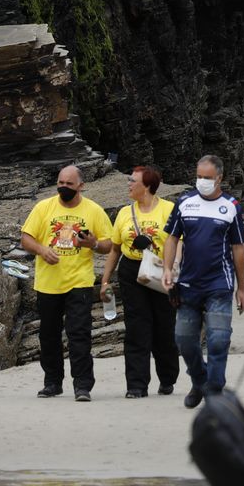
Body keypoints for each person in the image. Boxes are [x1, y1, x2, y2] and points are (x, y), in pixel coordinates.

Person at [19, 165, 114, 401]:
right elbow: (25, 238)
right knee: (49, 335)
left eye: (69, 184)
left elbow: (109, 244)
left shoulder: (93, 210)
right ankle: (52, 383)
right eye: (60, 182)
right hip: (47, 283)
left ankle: (82, 386)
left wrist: (92, 244)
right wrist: (42, 250)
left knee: (79, 334)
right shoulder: (43, 207)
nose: (63, 187)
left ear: (81, 186)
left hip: (79, 282)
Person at [161, 154, 244, 408]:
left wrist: (242, 288)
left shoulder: (231, 206)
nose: (202, 181)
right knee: (184, 340)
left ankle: (214, 389)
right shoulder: (185, 202)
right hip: (187, 284)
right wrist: (167, 268)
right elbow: (171, 238)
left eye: (207, 178)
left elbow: (238, 248)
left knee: (218, 339)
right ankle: (199, 380)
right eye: (199, 176)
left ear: (219, 178)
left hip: (219, 284)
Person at [100, 165, 180, 399]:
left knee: (163, 326)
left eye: (132, 181)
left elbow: (178, 242)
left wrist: (172, 269)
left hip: (159, 269)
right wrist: (105, 281)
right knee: (136, 327)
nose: (128, 184)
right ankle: (136, 385)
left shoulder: (169, 209)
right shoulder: (125, 213)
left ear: (147, 186)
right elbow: (115, 249)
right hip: (132, 270)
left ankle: (167, 378)